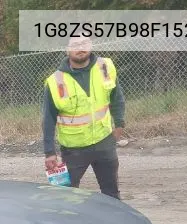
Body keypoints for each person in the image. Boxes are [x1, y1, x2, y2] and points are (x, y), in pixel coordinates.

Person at [42, 35, 125, 199]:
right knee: (65, 196)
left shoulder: (105, 67)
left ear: (91, 46)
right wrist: (49, 152)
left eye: (84, 43)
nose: (80, 48)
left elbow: (117, 98)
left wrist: (119, 124)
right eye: (75, 45)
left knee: (111, 194)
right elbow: (48, 118)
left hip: (104, 142)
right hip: (73, 149)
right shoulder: (55, 81)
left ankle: (113, 223)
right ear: (67, 49)